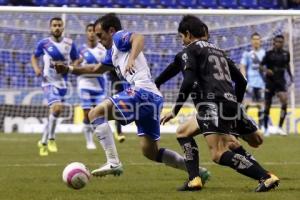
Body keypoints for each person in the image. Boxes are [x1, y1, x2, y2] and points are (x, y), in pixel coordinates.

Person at [54, 13, 210, 183]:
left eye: (100, 35)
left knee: (95, 114)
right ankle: (197, 171)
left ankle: (113, 162)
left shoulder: (119, 37)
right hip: (153, 98)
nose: (99, 39)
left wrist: (132, 59)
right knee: (150, 152)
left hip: (141, 92)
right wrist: (69, 69)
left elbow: (139, 38)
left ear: (111, 31)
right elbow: (95, 70)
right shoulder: (111, 54)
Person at [161, 15, 279, 192]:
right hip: (228, 102)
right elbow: (242, 81)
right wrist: (234, 106)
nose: (182, 42)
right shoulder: (220, 52)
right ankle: (194, 179)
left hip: (211, 103)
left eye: (181, 37)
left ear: (187, 34)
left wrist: (175, 110)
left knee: (218, 153)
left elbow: (187, 81)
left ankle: (265, 177)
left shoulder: (190, 50)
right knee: (183, 132)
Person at [31, 17, 79, 156]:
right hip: (48, 82)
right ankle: (52, 139)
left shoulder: (70, 43)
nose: (57, 27)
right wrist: (36, 68)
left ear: (63, 27)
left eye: (59, 25)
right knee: (57, 108)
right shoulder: (44, 43)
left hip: (62, 83)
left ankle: (43, 142)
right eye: (54, 25)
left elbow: (76, 59)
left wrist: (71, 67)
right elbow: (34, 57)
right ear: (50, 27)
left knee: (54, 113)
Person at [77, 23, 107, 150]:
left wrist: (93, 69)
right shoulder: (81, 50)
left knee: (99, 113)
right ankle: (89, 141)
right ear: (86, 33)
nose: (91, 33)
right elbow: (75, 67)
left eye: (93, 31)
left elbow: (106, 67)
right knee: (87, 113)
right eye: (89, 31)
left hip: (99, 85)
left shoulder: (102, 50)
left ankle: (101, 137)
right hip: (84, 84)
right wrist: (83, 67)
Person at [261, 35, 294, 136]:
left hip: (280, 82)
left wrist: (291, 76)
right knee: (267, 105)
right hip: (270, 82)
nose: (280, 43)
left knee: (284, 101)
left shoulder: (286, 54)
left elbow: (287, 65)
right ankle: (265, 128)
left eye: (281, 42)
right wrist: (267, 70)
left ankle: (280, 127)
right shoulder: (268, 54)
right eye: (278, 41)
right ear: (274, 42)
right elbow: (261, 65)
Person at [240, 32, 265, 130]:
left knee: (261, 105)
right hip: (250, 84)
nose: (256, 41)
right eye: (254, 39)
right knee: (246, 104)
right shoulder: (247, 54)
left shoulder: (264, 54)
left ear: (260, 41)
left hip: (261, 84)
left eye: (257, 39)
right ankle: (243, 126)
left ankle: (261, 127)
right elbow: (242, 66)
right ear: (251, 41)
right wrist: (244, 80)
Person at [106, 70, 126, 143]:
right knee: (118, 110)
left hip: (125, 88)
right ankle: (118, 132)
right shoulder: (112, 64)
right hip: (116, 88)